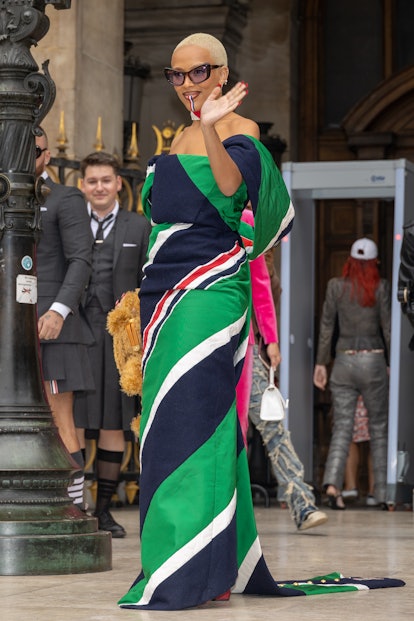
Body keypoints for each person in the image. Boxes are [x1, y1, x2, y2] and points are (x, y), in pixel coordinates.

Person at [117, 34, 403, 611]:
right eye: (175, 76)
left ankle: (192, 574)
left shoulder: (240, 130)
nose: (187, 86)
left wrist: (218, 127)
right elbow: (159, 220)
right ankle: (194, 564)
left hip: (210, 296)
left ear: (221, 73)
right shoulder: (179, 138)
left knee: (199, 424)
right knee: (166, 432)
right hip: (162, 301)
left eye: (197, 73)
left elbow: (230, 190)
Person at [74, 151, 150, 538]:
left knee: (112, 424)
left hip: (118, 342)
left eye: (106, 180)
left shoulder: (139, 227)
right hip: (73, 333)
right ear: (82, 185)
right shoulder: (68, 223)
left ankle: (103, 511)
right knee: (69, 422)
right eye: (92, 181)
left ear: (119, 183)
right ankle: (73, 507)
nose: (99, 187)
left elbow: (148, 282)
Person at [237, 209, 327, 531]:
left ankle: (302, 502)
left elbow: (261, 292)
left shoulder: (249, 230)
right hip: (211, 348)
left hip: (247, 354)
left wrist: (271, 341)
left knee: (272, 427)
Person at [35, 128, 95, 510]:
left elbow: (81, 260)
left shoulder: (65, 198)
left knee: (60, 418)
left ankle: (75, 507)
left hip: (54, 328)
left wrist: (58, 310)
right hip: (13, 329)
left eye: (35, 150)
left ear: (48, 156)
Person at [313, 238, 391, 510]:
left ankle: (333, 487)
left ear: (348, 261)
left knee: (342, 427)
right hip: (373, 361)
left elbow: (326, 327)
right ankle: (382, 494)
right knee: (379, 428)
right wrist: (393, 364)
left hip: (344, 361)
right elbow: (388, 329)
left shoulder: (335, 287)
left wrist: (321, 364)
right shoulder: (381, 288)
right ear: (374, 263)